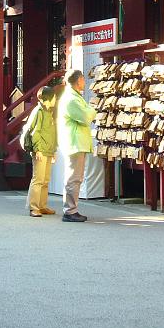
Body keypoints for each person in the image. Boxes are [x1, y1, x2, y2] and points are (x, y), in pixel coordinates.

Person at [57, 69, 97, 222]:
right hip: (75, 142)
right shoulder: (71, 99)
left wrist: (88, 110)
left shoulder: (73, 97)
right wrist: (92, 109)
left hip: (76, 141)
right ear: (79, 80)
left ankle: (71, 209)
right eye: (83, 79)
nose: (84, 82)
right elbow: (86, 116)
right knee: (74, 177)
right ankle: (69, 210)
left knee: (75, 177)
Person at [23, 86, 58, 217]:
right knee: (38, 179)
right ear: (48, 98)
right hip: (41, 150)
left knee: (45, 179)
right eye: (54, 97)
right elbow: (35, 132)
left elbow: (51, 133)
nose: (56, 99)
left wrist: (53, 149)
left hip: (47, 149)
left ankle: (42, 205)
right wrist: (37, 149)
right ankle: (33, 207)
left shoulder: (48, 111)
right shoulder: (39, 111)